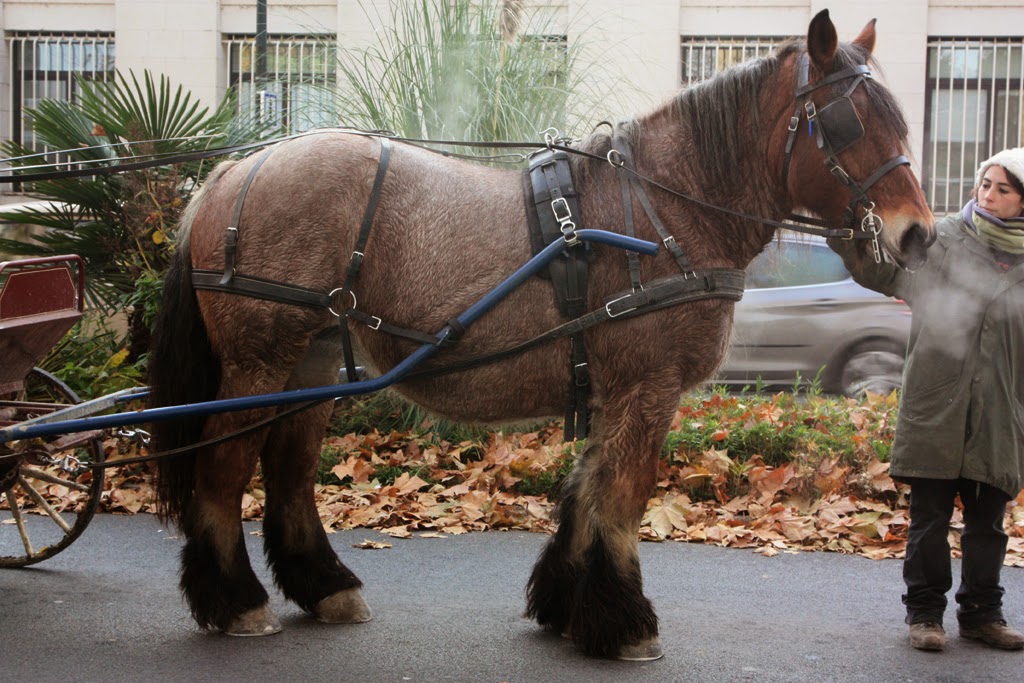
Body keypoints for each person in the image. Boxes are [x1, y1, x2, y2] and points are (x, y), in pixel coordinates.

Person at [829, 147, 1024, 652]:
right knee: (929, 519)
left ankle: (982, 615)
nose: (988, 195)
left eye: (1003, 189)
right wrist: (848, 235)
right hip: (937, 402)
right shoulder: (942, 240)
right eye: (986, 184)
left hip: (999, 411)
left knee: (988, 524)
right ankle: (924, 616)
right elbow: (886, 272)